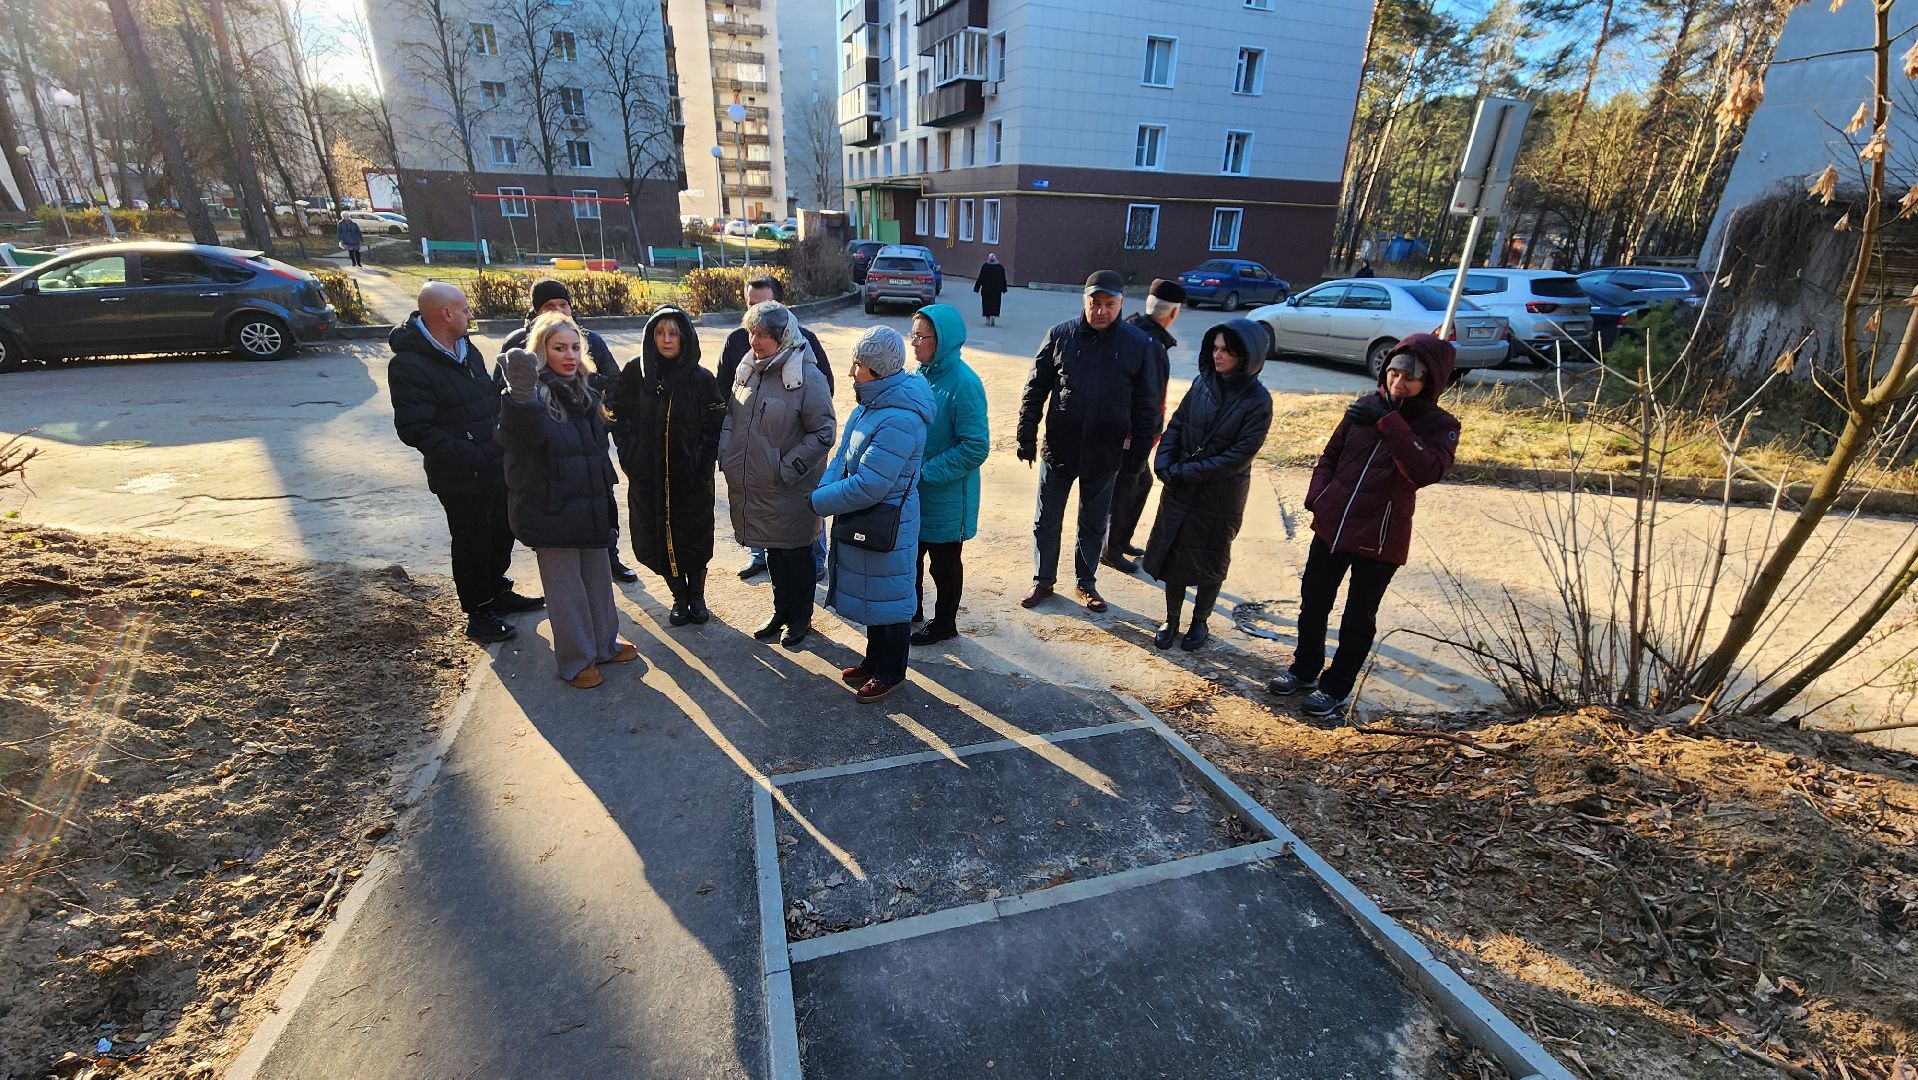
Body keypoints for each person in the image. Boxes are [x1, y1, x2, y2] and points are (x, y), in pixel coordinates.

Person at [1265, 333, 1460, 720]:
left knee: (1357, 617)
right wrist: (1318, 498)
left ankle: (1335, 687)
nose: (1398, 383)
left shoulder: (1440, 425)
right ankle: (1304, 669)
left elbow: (1425, 470)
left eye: (1411, 377)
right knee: (1313, 602)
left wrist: (1391, 424)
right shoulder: (1365, 406)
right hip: (1332, 525)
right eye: (1394, 373)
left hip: (1380, 537)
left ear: (1431, 381)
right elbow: (1331, 456)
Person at [388, 281, 543, 644]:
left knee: (502, 531)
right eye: (465, 309)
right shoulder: (409, 365)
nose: (470, 314)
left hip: (495, 464)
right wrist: (471, 454)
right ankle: (479, 612)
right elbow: (415, 429)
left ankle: (498, 591)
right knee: (472, 541)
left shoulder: (465, 348)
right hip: (459, 476)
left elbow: (485, 399)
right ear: (446, 314)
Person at [495, 316, 639, 689]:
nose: (570, 355)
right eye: (559, 348)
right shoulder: (535, 393)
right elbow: (520, 439)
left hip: (589, 504)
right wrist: (520, 398)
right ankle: (576, 661)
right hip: (551, 508)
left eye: (575, 347)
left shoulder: (584, 391)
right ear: (541, 350)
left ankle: (604, 644)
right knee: (565, 592)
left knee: (597, 580)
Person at [1016, 269, 1161, 614]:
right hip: (1059, 449)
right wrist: (1026, 435)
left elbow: (1147, 407)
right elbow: (1035, 390)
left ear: (1121, 304)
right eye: (1095, 303)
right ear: (1085, 302)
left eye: (1109, 304)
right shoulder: (1060, 336)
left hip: (1105, 454)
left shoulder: (1137, 345)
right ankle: (1043, 580)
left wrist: (1137, 459)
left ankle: (1086, 583)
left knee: (1093, 524)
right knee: (1046, 519)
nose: (1101, 310)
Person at [812, 327, 935, 703]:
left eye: (858, 364)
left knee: (890, 599)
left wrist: (817, 502)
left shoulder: (899, 418)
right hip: (866, 517)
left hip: (888, 521)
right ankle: (874, 659)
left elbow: (870, 484)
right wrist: (823, 489)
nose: (851, 371)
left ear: (878, 370)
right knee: (873, 594)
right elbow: (842, 459)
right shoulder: (871, 403)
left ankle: (891, 672)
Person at [1142, 319, 1273, 651]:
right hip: (1181, 485)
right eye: (1215, 348)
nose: (1218, 355)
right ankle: (1171, 619)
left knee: (1211, 559)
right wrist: (1163, 461)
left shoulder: (1258, 400)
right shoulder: (1202, 382)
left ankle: (1200, 622)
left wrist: (1185, 472)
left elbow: (1238, 456)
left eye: (1227, 350)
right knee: (1174, 553)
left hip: (1221, 494)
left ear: (1246, 355)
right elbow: (1178, 422)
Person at [497, 278, 638, 582]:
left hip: (589, 459)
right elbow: (511, 419)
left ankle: (610, 557)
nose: (570, 354)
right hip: (552, 477)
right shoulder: (518, 347)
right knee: (567, 580)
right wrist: (521, 396)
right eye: (550, 306)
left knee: (599, 526)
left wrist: (603, 417)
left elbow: (612, 383)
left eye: (564, 304)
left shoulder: (591, 341)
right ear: (536, 312)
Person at [719, 301, 837, 647]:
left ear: (782, 337)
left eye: (763, 335)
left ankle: (800, 618)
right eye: (752, 333)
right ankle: (781, 611)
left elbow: (824, 431)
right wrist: (726, 454)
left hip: (791, 488)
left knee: (797, 554)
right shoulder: (749, 371)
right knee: (774, 551)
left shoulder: (806, 376)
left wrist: (788, 469)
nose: (755, 341)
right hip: (758, 486)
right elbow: (731, 417)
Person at [612, 306, 725, 626]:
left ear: (685, 337)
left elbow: (715, 425)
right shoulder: (636, 373)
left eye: (673, 332)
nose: (666, 339)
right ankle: (678, 596)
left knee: (696, 539)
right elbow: (619, 417)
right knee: (657, 539)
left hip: (690, 482)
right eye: (660, 332)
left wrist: (702, 465)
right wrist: (630, 456)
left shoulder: (701, 379)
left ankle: (698, 596)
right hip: (648, 481)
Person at [907, 304, 989, 646]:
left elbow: (975, 447)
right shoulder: (921, 376)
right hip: (917, 492)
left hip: (947, 496)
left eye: (920, 336)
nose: (913, 343)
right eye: (912, 334)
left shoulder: (964, 383)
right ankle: (910, 610)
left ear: (941, 341)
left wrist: (926, 472)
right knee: (909, 557)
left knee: (943, 565)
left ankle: (945, 624)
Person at [1104, 277, 1185, 574]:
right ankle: (1110, 550)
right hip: (1129, 435)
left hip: (1129, 432)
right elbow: (1147, 397)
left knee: (1140, 484)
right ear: (1174, 313)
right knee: (1124, 490)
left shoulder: (1134, 330)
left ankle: (1119, 540)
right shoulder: (1151, 345)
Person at [973, 253, 1008, 326]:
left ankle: (987, 319)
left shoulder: (985, 266)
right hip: (996, 290)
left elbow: (980, 278)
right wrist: (1004, 288)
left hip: (986, 289)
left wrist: (977, 288)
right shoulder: (1000, 267)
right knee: (995, 304)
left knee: (986, 304)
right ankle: (993, 316)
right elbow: (1003, 279)